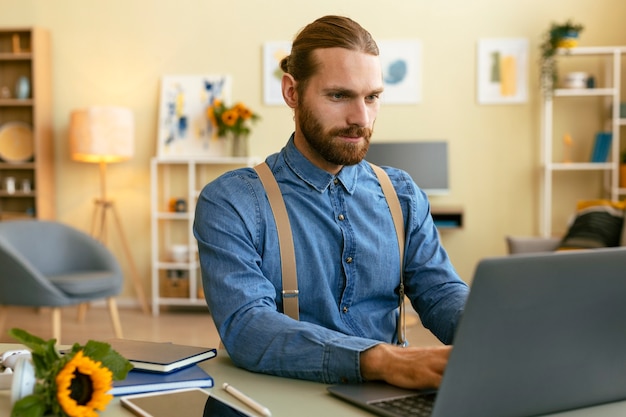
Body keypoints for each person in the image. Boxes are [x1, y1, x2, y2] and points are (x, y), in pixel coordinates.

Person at [193, 15, 469, 390]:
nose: (361, 118)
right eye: (339, 96)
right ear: (292, 92)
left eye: (372, 97)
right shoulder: (232, 201)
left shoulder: (402, 193)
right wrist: (382, 359)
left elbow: (440, 292)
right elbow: (246, 326)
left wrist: (491, 333)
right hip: (280, 400)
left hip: (385, 396)